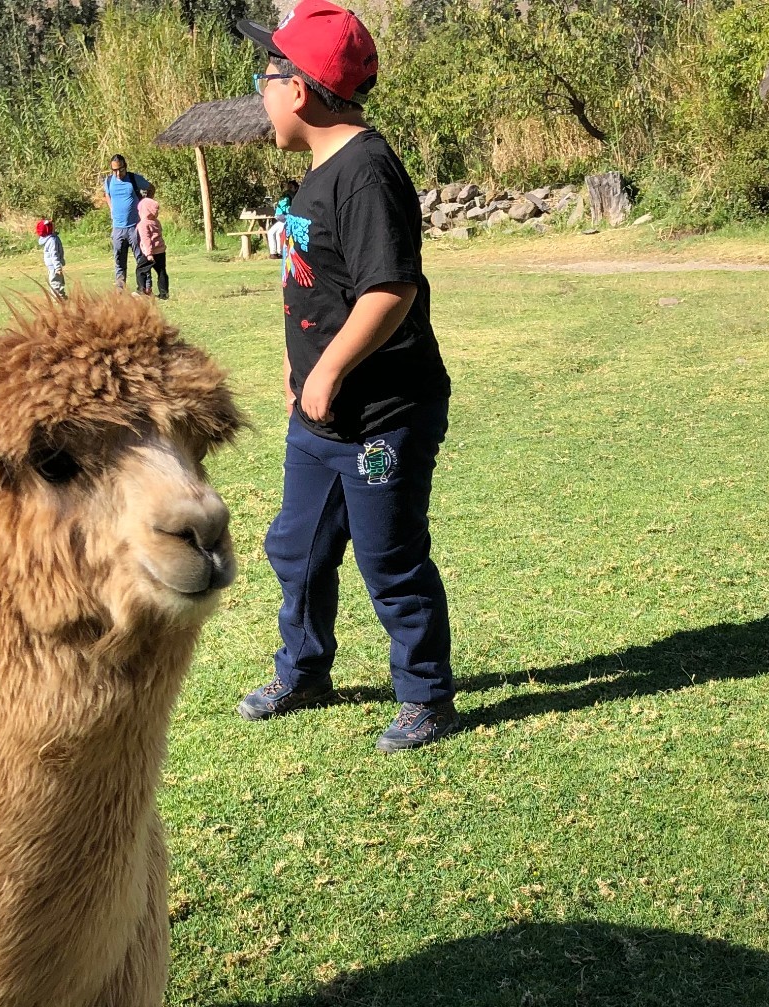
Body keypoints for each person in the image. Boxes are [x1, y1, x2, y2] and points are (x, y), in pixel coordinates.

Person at [234, 0, 459, 752]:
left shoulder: (365, 173)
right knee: (295, 547)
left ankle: (426, 697)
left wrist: (328, 371)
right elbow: (317, 284)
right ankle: (303, 669)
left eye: (266, 75)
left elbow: (389, 289)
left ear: (298, 90)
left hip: (381, 414)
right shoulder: (319, 174)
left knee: (390, 559)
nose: (260, 91)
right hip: (319, 414)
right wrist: (298, 370)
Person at [102, 154, 153, 292]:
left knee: (141, 259)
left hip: (135, 227)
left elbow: (151, 187)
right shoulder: (108, 181)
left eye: (121, 169)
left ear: (126, 167)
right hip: (118, 229)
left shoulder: (134, 179)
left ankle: (145, 288)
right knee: (119, 261)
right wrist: (111, 207)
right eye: (115, 170)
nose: (118, 173)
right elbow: (106, 194)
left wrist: (144, 204)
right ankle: (120, 290)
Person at [134, 194, 168, 298]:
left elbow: (146, 239)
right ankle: (164, 294)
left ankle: (141, 290)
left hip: (150, 253)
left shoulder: (143, 224)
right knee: (161, 272)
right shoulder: (156, 222)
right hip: (161, 251)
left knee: (140, 270)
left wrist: (148, 254)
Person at [36, 217, 66, 299]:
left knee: (59, 284)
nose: (54, 225)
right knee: (56, 286)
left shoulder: (52, 238)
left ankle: (63, 300)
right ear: (48, 229)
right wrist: (58, 268)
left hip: (53, 267)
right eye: (51, 225)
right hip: (54, 268)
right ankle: (59, 302)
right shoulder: (52, 240)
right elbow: (54, 255)